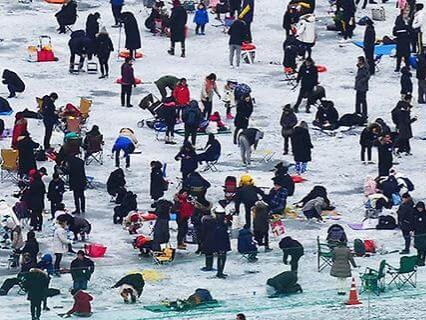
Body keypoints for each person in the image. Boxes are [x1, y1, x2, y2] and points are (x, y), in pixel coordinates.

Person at [214, 212, 231, 278]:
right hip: (222, 244)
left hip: (221, 244)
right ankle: (220, 272)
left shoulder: (218, 224)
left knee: (221, 259)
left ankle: (220, 272)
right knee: (221, 259)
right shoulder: (220, 226)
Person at [413, 201, 426, 266]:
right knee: (418, 247)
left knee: (424, 248)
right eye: (419, 208)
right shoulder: (414, 214)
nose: (420, 209)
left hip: (424, 233)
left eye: (421, 208)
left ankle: (422, 260)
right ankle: (418, 258)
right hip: (417, 233)